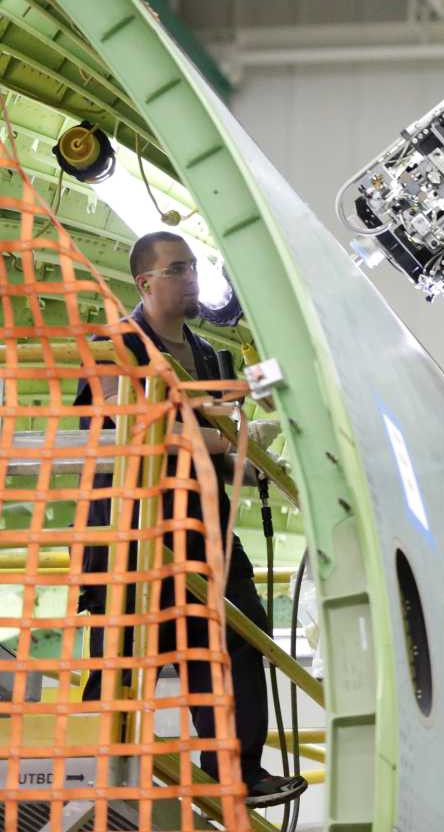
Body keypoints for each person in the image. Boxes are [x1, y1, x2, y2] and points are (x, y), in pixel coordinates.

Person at [74, 231, 303, 808]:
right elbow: (110, 432)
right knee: (126, 655)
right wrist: (218, 440)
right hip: (136, 533)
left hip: (208, 532)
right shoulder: (116, 345)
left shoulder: (213, 358)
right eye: (179, 269)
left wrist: (258, 468)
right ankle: (88, 767)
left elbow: (222, 449)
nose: (193, 278)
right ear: (145, 283)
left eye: (195, 267)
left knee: (241, 641)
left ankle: (236, 775)